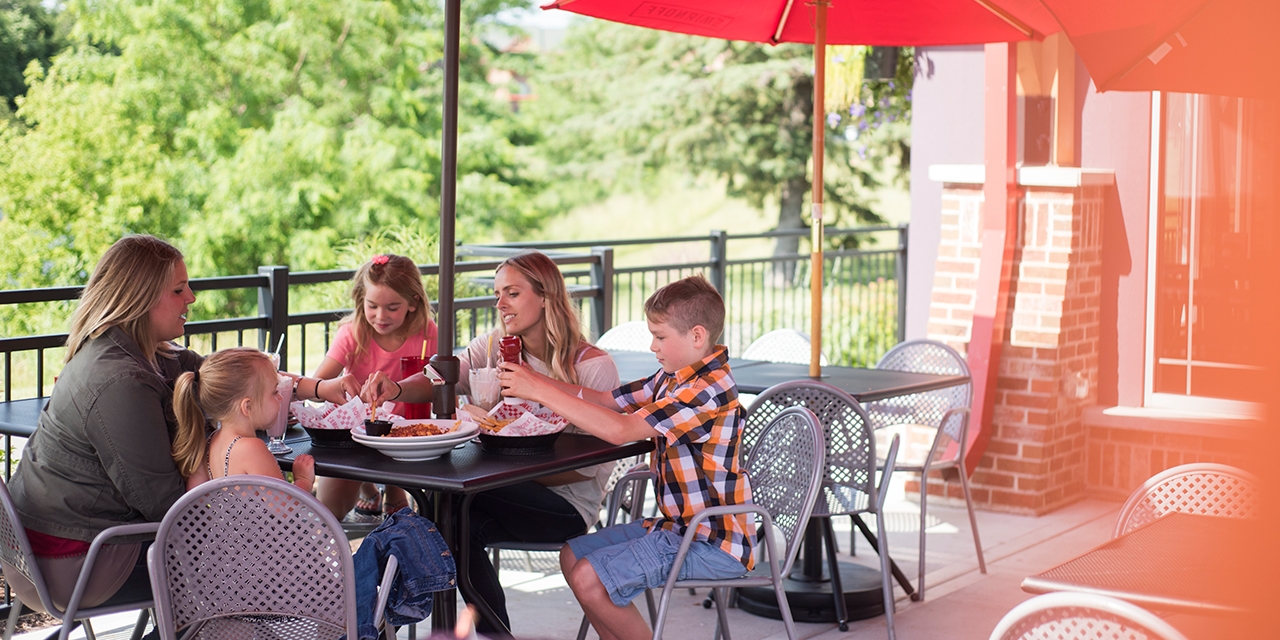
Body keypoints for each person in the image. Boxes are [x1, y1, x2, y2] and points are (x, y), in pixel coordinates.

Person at [2, 235, 353, 613]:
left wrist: (316, 387)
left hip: (51, 549)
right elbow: (170, 511)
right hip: (76, 565)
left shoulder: (141, 350)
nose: (192, 298)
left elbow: (234, 378)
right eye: (178, 289)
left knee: (259, 559)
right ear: (142, 296)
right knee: (266, 569)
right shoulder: (121, 382)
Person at [363, 250, 620, 636]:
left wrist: (504, 466)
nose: (500, 304)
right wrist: (397, 387)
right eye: (498, 293)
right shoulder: (495, 346)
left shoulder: (591, 366)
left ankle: (381, 620)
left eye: (512, 294)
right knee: (447, 526)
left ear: (546, 296)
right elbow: (440, 379)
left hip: (565, 506)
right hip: (497, 490)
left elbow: (587, 468)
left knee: (443, 512)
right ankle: (493, 635)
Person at [497, 275, 754, 640]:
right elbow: (604, 401)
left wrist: (539, 390)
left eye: (660, 336)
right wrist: (535, 380)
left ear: (697, 336)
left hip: (713, 541)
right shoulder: (673, 378)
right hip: (680, 529)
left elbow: (620, 430)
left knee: (590, 577)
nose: (652, 346)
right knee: (572, 556)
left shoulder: (704, 391)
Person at [313, 254, 439, 521]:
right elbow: (320, 381)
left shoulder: (427, 333)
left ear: (413, 303)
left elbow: (437, 384)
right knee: (327, 510)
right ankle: (367, 486)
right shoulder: (352, 333)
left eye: (392, 308)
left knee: (419, 511)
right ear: (362, 300)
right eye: (373, 306)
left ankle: (393, 490)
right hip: (356, 432)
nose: (381, 316)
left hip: (408, 434)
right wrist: (338, 386)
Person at [171, 347, 316, 491]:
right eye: (274, 392)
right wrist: (304, 480)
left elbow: (194, 502)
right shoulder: (253, 449)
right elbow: (286, 510)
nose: (280, 397)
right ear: (247, 406)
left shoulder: (207, 445)